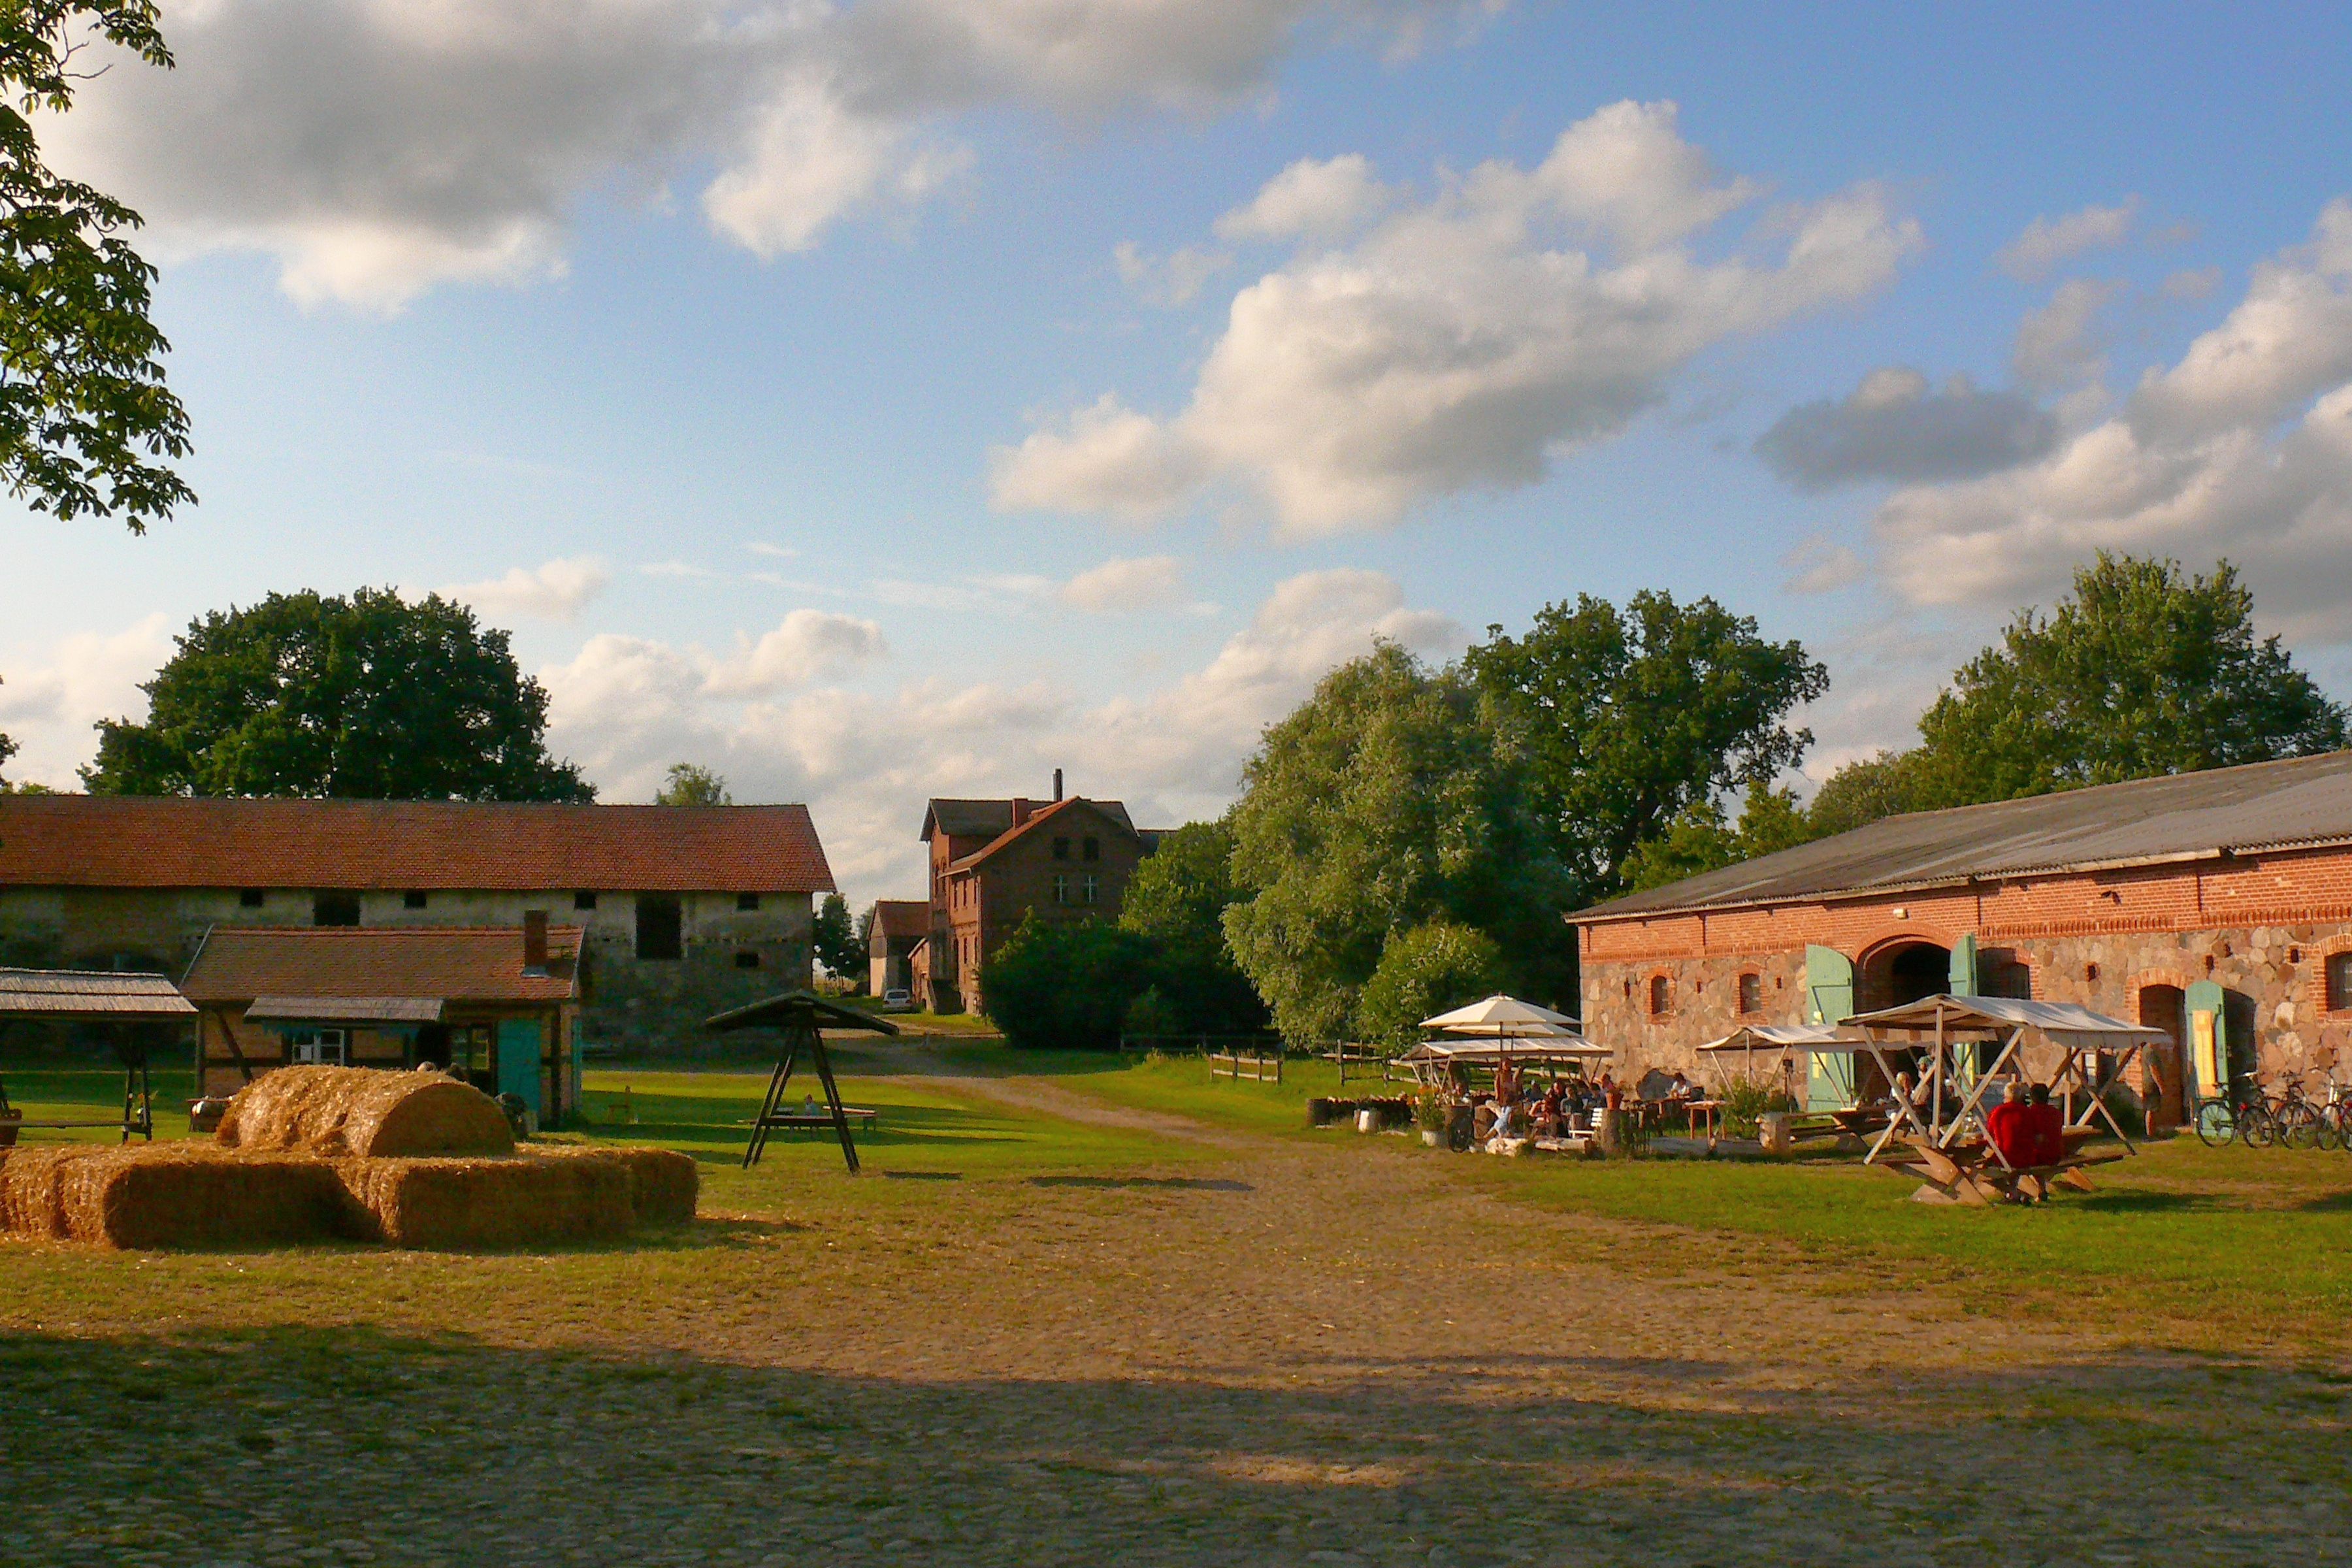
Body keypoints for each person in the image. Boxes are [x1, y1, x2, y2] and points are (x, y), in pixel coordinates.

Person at [1984, 1080, 2034, 1169]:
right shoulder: (2028, 1113)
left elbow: (1988, 1137)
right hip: (2026, 1159)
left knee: (1985, 1163)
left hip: (2004, 1158)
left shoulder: (1998, 1112)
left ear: (2005, 1096)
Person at [2025, 1083, 2066, 1166]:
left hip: (2039, 1157)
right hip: (2056, 1155)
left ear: (2032, 1097)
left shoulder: (2029, 1113)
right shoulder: (2057, 1113)